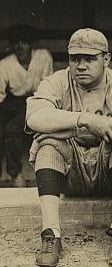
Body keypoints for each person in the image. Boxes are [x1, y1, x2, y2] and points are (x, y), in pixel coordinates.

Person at [25, 28, 112, 267]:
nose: (80, 66)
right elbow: (34, 118)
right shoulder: (56, 81)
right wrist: (86, 120)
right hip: (70, 172)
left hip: (109, 172)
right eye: (75, 58)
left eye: (90, 59)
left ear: (106, 59)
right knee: (46, 143)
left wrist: (64, 125)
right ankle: (51, 234)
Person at [0, 24, 53, 187]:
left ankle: (15, 174)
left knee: (12, 131)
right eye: (16, 42)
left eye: (25, 42)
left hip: (37, 100)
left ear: (32, 44)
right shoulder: (5, 64)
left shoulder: (43, 56)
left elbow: (48, 85)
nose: (20, 46)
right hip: (12, 102)